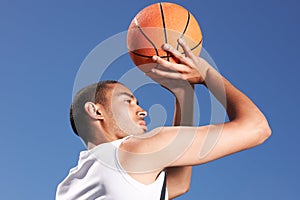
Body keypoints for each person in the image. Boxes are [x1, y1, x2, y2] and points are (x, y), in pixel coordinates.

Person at [56, 39, 271, 200]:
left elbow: (178, 183)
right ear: (96, 110)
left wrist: (184, 95)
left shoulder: (69, 187)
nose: (142, 111)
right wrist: (206, 73)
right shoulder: (136, 149)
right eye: (128, 101)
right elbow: (257, 127)